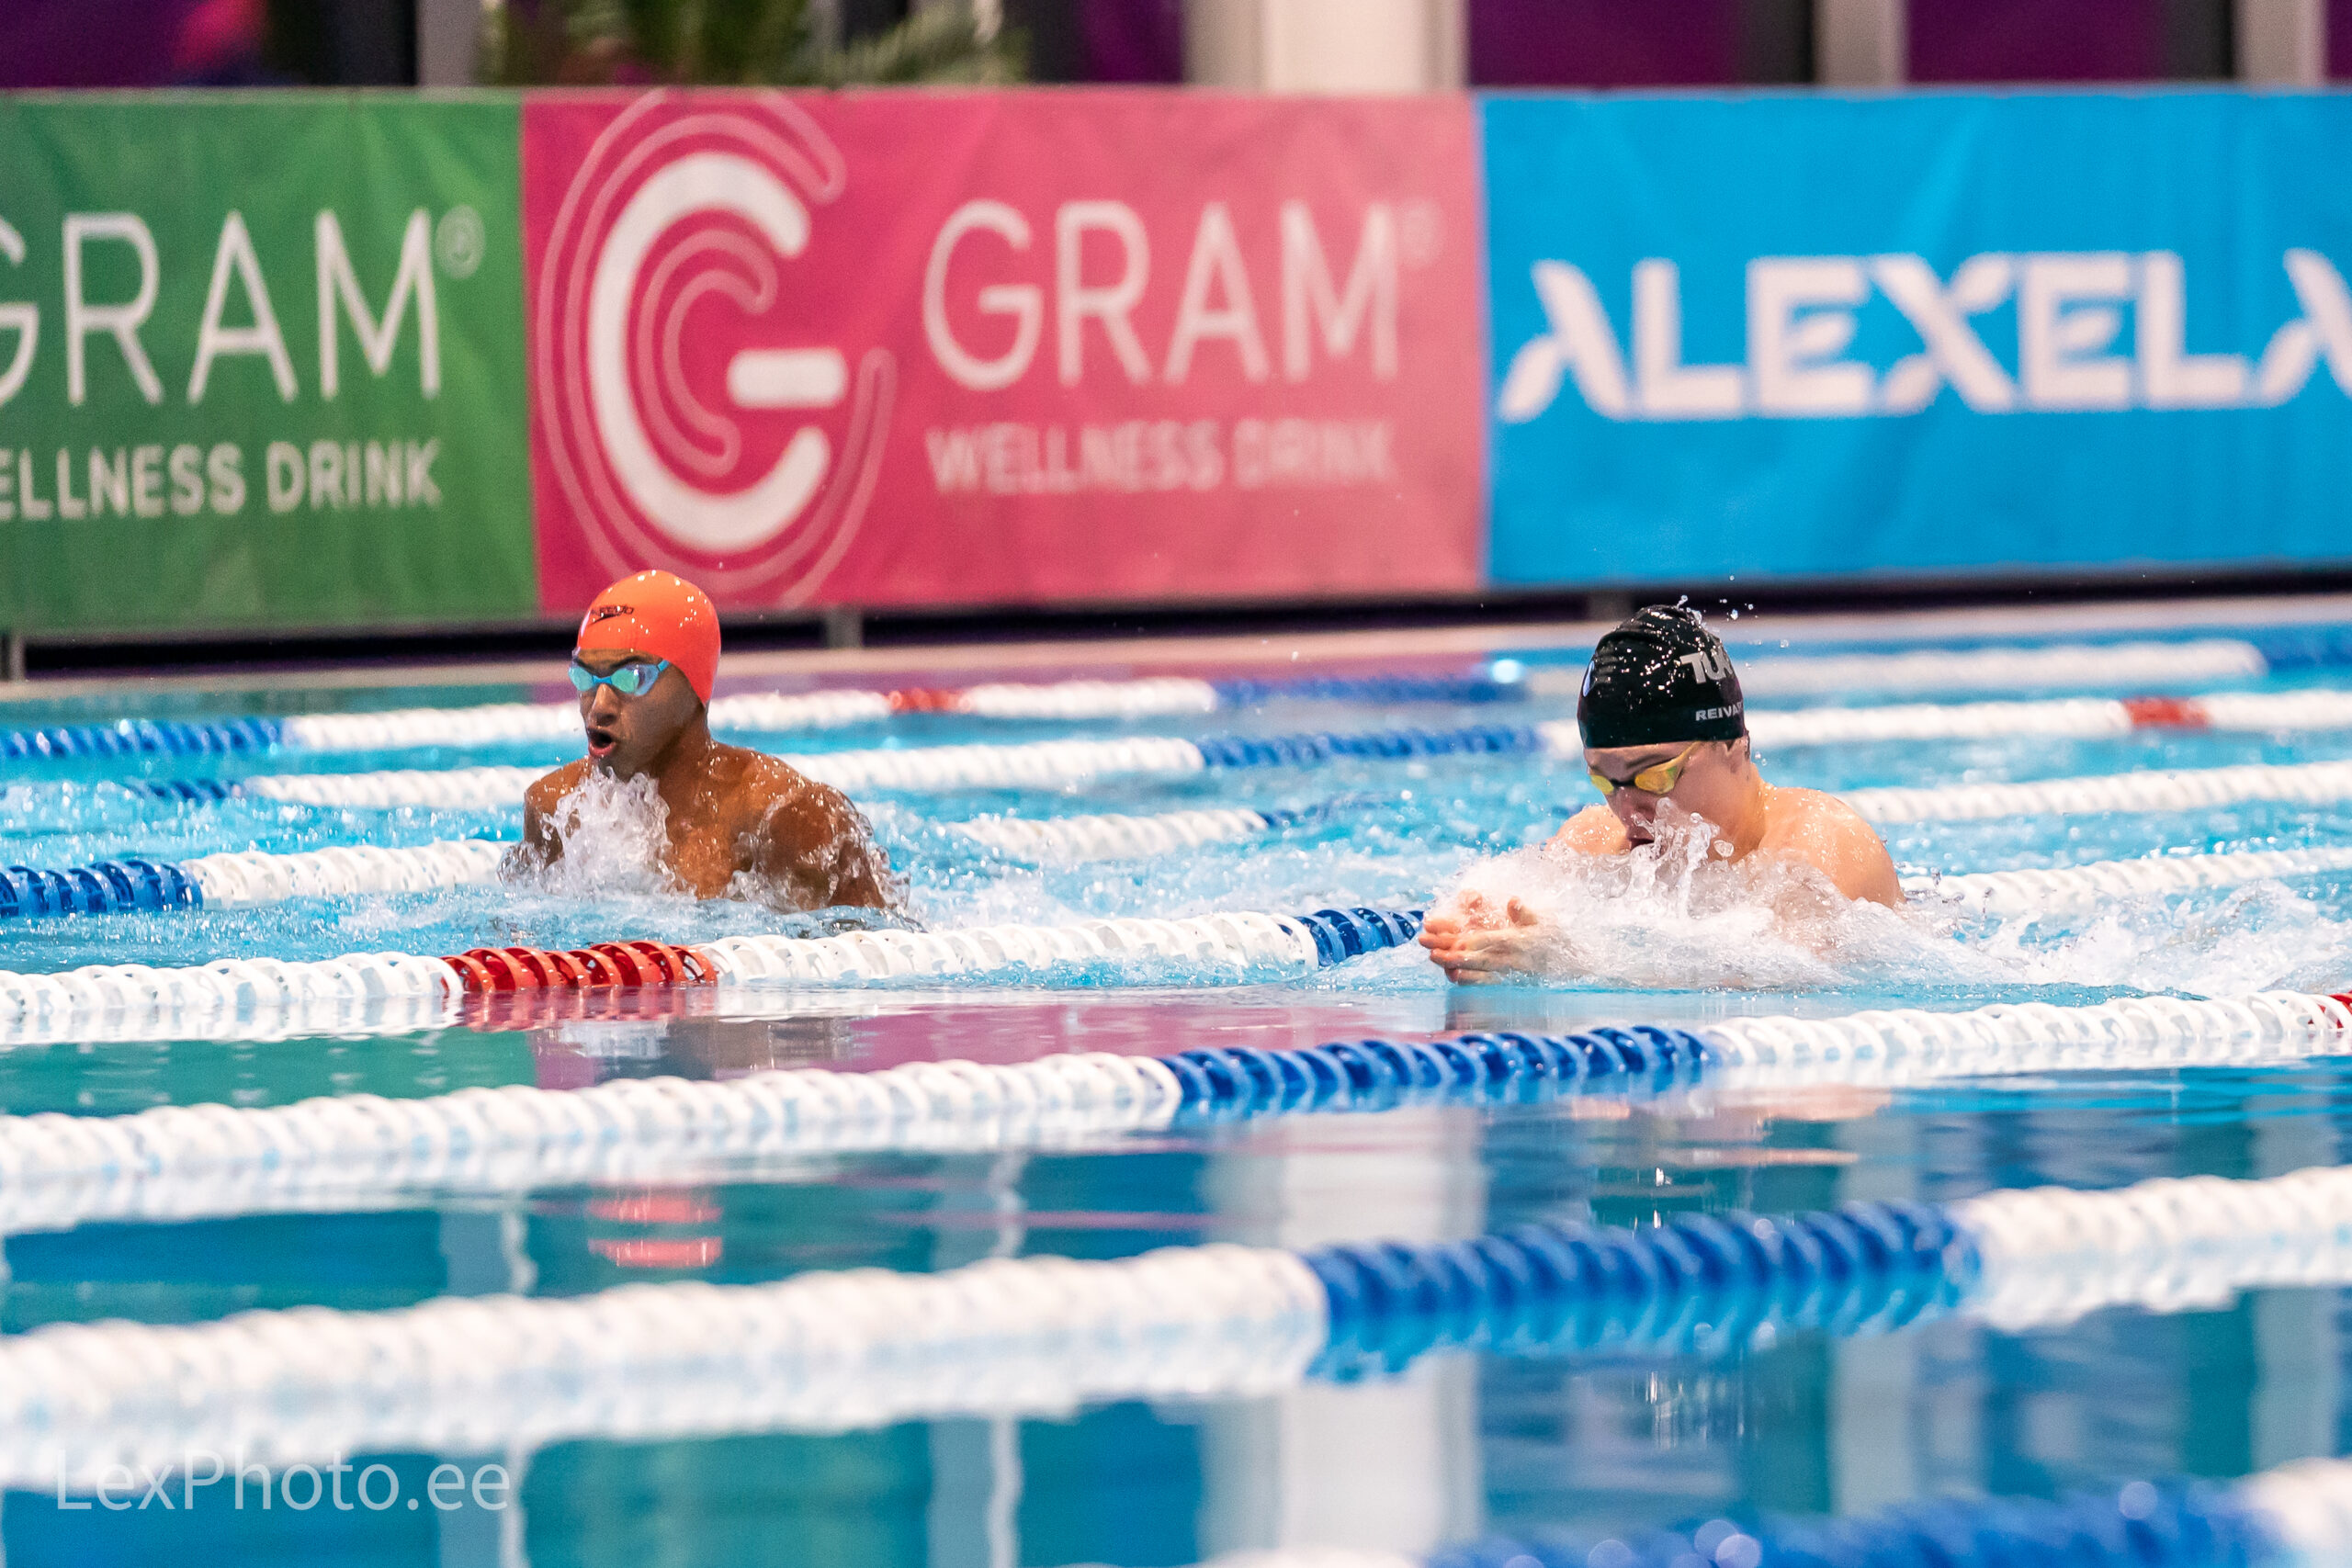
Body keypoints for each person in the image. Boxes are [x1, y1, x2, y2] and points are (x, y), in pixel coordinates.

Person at [1419, 604, 1900, 983]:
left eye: (1653, 777)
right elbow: (1532, 932)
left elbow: (1787, 978)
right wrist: (1489, 941)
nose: (1628, 812)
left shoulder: (1819, 842)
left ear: (1734, 747)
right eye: (1605, 782)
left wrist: (1572, 961)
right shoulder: (1591, 842)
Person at [509, 570, 895, 912]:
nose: (599, 706)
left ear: (694, 685)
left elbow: (873, 952)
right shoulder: (554, 810)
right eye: (585, 678)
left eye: (631, 678)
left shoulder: (783, 816)